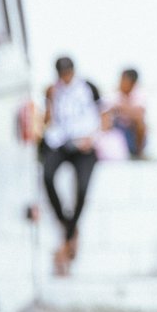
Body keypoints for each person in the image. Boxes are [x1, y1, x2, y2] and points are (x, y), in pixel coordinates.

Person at [40, 55, 103, 276]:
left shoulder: (89, 87)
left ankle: (68, 237)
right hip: (62, 142)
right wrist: (48, 100)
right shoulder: (53, 90)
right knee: (47, 176)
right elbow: (47, 121)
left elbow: (103, 114)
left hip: (85, 144)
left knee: (82, 188)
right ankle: (67, 225)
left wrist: (93, 137)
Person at [103, 67, 147, 158]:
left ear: (132, 83)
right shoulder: (114, 93)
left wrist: (121, 108)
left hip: (132, 130)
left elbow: (139, 114)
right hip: (118, 127)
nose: (121, 82)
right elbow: (105, 111)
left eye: (124, 80)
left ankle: (138, 153)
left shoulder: (140, 93)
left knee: (140, 123)